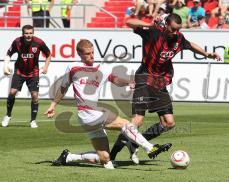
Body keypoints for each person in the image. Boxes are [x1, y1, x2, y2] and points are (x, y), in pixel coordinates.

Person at [110, 13, 221, 164]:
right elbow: (129, 22)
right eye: (173, 29)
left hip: (160, 82)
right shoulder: (153, 33)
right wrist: (150, 24)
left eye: (178, 29)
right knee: (137, 120)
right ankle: (112, 155)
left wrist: (207, 54)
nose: (176, 32)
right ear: (166, 25)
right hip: (144, 77)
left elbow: (190, 45)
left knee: (169, 122)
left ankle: (135, 142)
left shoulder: (179, 38)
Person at [44, 39, 172, 169]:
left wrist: (130, 81)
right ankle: (150, 148)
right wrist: (53, 105)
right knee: (125, 124)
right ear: (79, 53)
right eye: (88, 53)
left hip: (91, 116)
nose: (92, 56)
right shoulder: (73, 68)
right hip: (87, 113)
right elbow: (63, 87)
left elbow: (115, 79)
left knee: (105, 159)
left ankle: (68, 157)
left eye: (93, 52)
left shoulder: (101, 68)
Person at [1, 24, 51, 128]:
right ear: (23, 34)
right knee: (12, 92)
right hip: (19, 71)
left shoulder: (39, 42)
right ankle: (8, 115)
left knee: (35, 96)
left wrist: (46, 66)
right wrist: (5, 66)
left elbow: (48, 54)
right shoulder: (17, 41)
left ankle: (33, 120)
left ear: (33, 33)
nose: (28, 35)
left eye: (30, 33)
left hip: (33, 73)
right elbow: (8, 54)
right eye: (26, 33)